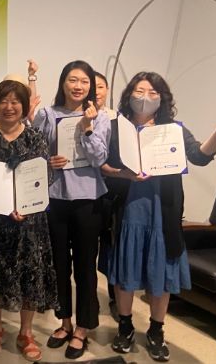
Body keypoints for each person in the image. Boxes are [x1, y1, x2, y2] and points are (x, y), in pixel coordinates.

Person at [105, 72, 216, 362]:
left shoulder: (173, 130)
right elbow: (103, 165)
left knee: (161, 274)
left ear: (162, 98)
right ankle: (125, 327)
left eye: (153, 92)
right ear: (129, 95)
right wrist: (123, 174)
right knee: (126, 272)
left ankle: (156, 330)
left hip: (162, 211)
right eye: (139, 91)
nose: (145, 97)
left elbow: (199, 156)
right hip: (129, 208)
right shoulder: (118, 128)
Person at [0, 80, 58, 361]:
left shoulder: (35, 137)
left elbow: (44, 177)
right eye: (3, 101)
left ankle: (26, 332)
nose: (9, 107)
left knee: (29, 272)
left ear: (24, 106)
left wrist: (25, 207)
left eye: (15, 101)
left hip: (28, 219)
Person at [32, 60, 111, 360]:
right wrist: (47, 161)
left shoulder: (100, 118)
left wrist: (87, 128)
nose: (78, 86)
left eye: (84, 81)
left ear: (90, 86)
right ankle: (64, 321)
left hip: (88, 199)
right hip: (54, 198)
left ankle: (83, 327)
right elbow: (34, 151)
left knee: (85, 266)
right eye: (72, 80)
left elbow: (99, 158)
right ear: (63, 82)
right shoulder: (47, 114)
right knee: (58, 265)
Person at [94, 72, 121, 322]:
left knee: (112, 246)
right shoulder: (75, 118)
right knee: (87, 249)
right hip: (87, 191)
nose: (96, 91)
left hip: (112, 192)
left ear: (107, 89)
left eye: (100, 86)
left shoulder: (118, 119)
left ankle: (115, 297)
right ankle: (89, 297)